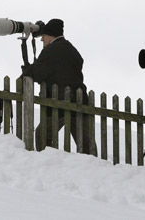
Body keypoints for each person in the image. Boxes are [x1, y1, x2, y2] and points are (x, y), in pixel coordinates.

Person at [21, 19, 96, 154]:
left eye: (44, 35)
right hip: (79, 101)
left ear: (52, 35)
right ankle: (93, 168)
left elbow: (37, 73)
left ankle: (47, 163)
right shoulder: (72, 50)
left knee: (41, 134)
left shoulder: (51, 51)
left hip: (59, 103)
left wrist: (25, 73)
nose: (42, 39)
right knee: (86, 144)